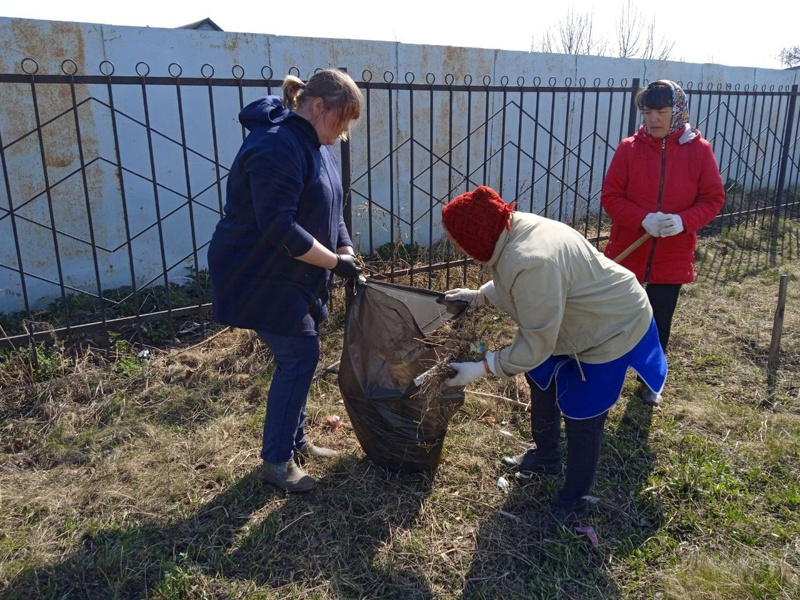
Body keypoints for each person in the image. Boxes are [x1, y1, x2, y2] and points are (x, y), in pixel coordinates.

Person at [440, 186, 667, 524]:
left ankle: (573, 503)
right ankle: (546, 456)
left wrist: (483, 367)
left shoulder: (533, 260)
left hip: (610, 325)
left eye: (458, 241)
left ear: (477, 236)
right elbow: (510, 279)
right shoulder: (512, 229)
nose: (456, 247)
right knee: (540, 376)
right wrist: (478, 296)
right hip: (569, 318)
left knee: (583, 414)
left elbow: (535, 342)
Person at [207, 70, 364, 493]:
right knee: (298, 356)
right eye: (342, 120)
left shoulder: (317, 144)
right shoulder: (276, 144)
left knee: (301, 356)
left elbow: (332, 208)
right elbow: (278, 225)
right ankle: (276, 462)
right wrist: (333, 262)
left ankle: (293, 442)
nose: (345, 131)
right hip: (258, 271)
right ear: (317, 107)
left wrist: (344, 251)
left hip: (293, 272)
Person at [601, 79, 725, 406]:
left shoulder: (700, 151)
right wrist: (643, 218)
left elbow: (713, 199)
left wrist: (684, 221)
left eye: (662, 111)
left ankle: (649, 380)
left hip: (672, 257)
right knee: (618, 319)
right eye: (648, 111)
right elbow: (611, 197)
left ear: (678, 111)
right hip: (627, 253)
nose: (653, 118)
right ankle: (606, 376)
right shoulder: (629, 148)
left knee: (658, 323)